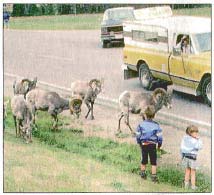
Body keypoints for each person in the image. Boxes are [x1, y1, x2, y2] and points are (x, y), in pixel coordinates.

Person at [136, 105, 163, 183]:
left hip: (144, 144)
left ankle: (143, 174)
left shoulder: (141, 124)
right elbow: (160, 137)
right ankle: (153, 177)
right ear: (154, 115)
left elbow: (138, 135)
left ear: (145, 114)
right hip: (152, 145)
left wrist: (139, 142)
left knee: (143, 160)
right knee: (153, 161)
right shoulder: (156, 125)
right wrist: (159, 145)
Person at [180, 125, 203, 190]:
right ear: (190, 133)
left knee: (187, 171)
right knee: (193, 172)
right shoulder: (195, 140)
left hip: (186, 157)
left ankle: (186, 186)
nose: (196, 134)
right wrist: (199, 140)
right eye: (194, 132)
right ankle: (193, 186)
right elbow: (200, 147)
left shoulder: (185, 138)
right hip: (192, 158)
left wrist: (182, 156)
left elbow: (182, 148)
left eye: (196, 132)